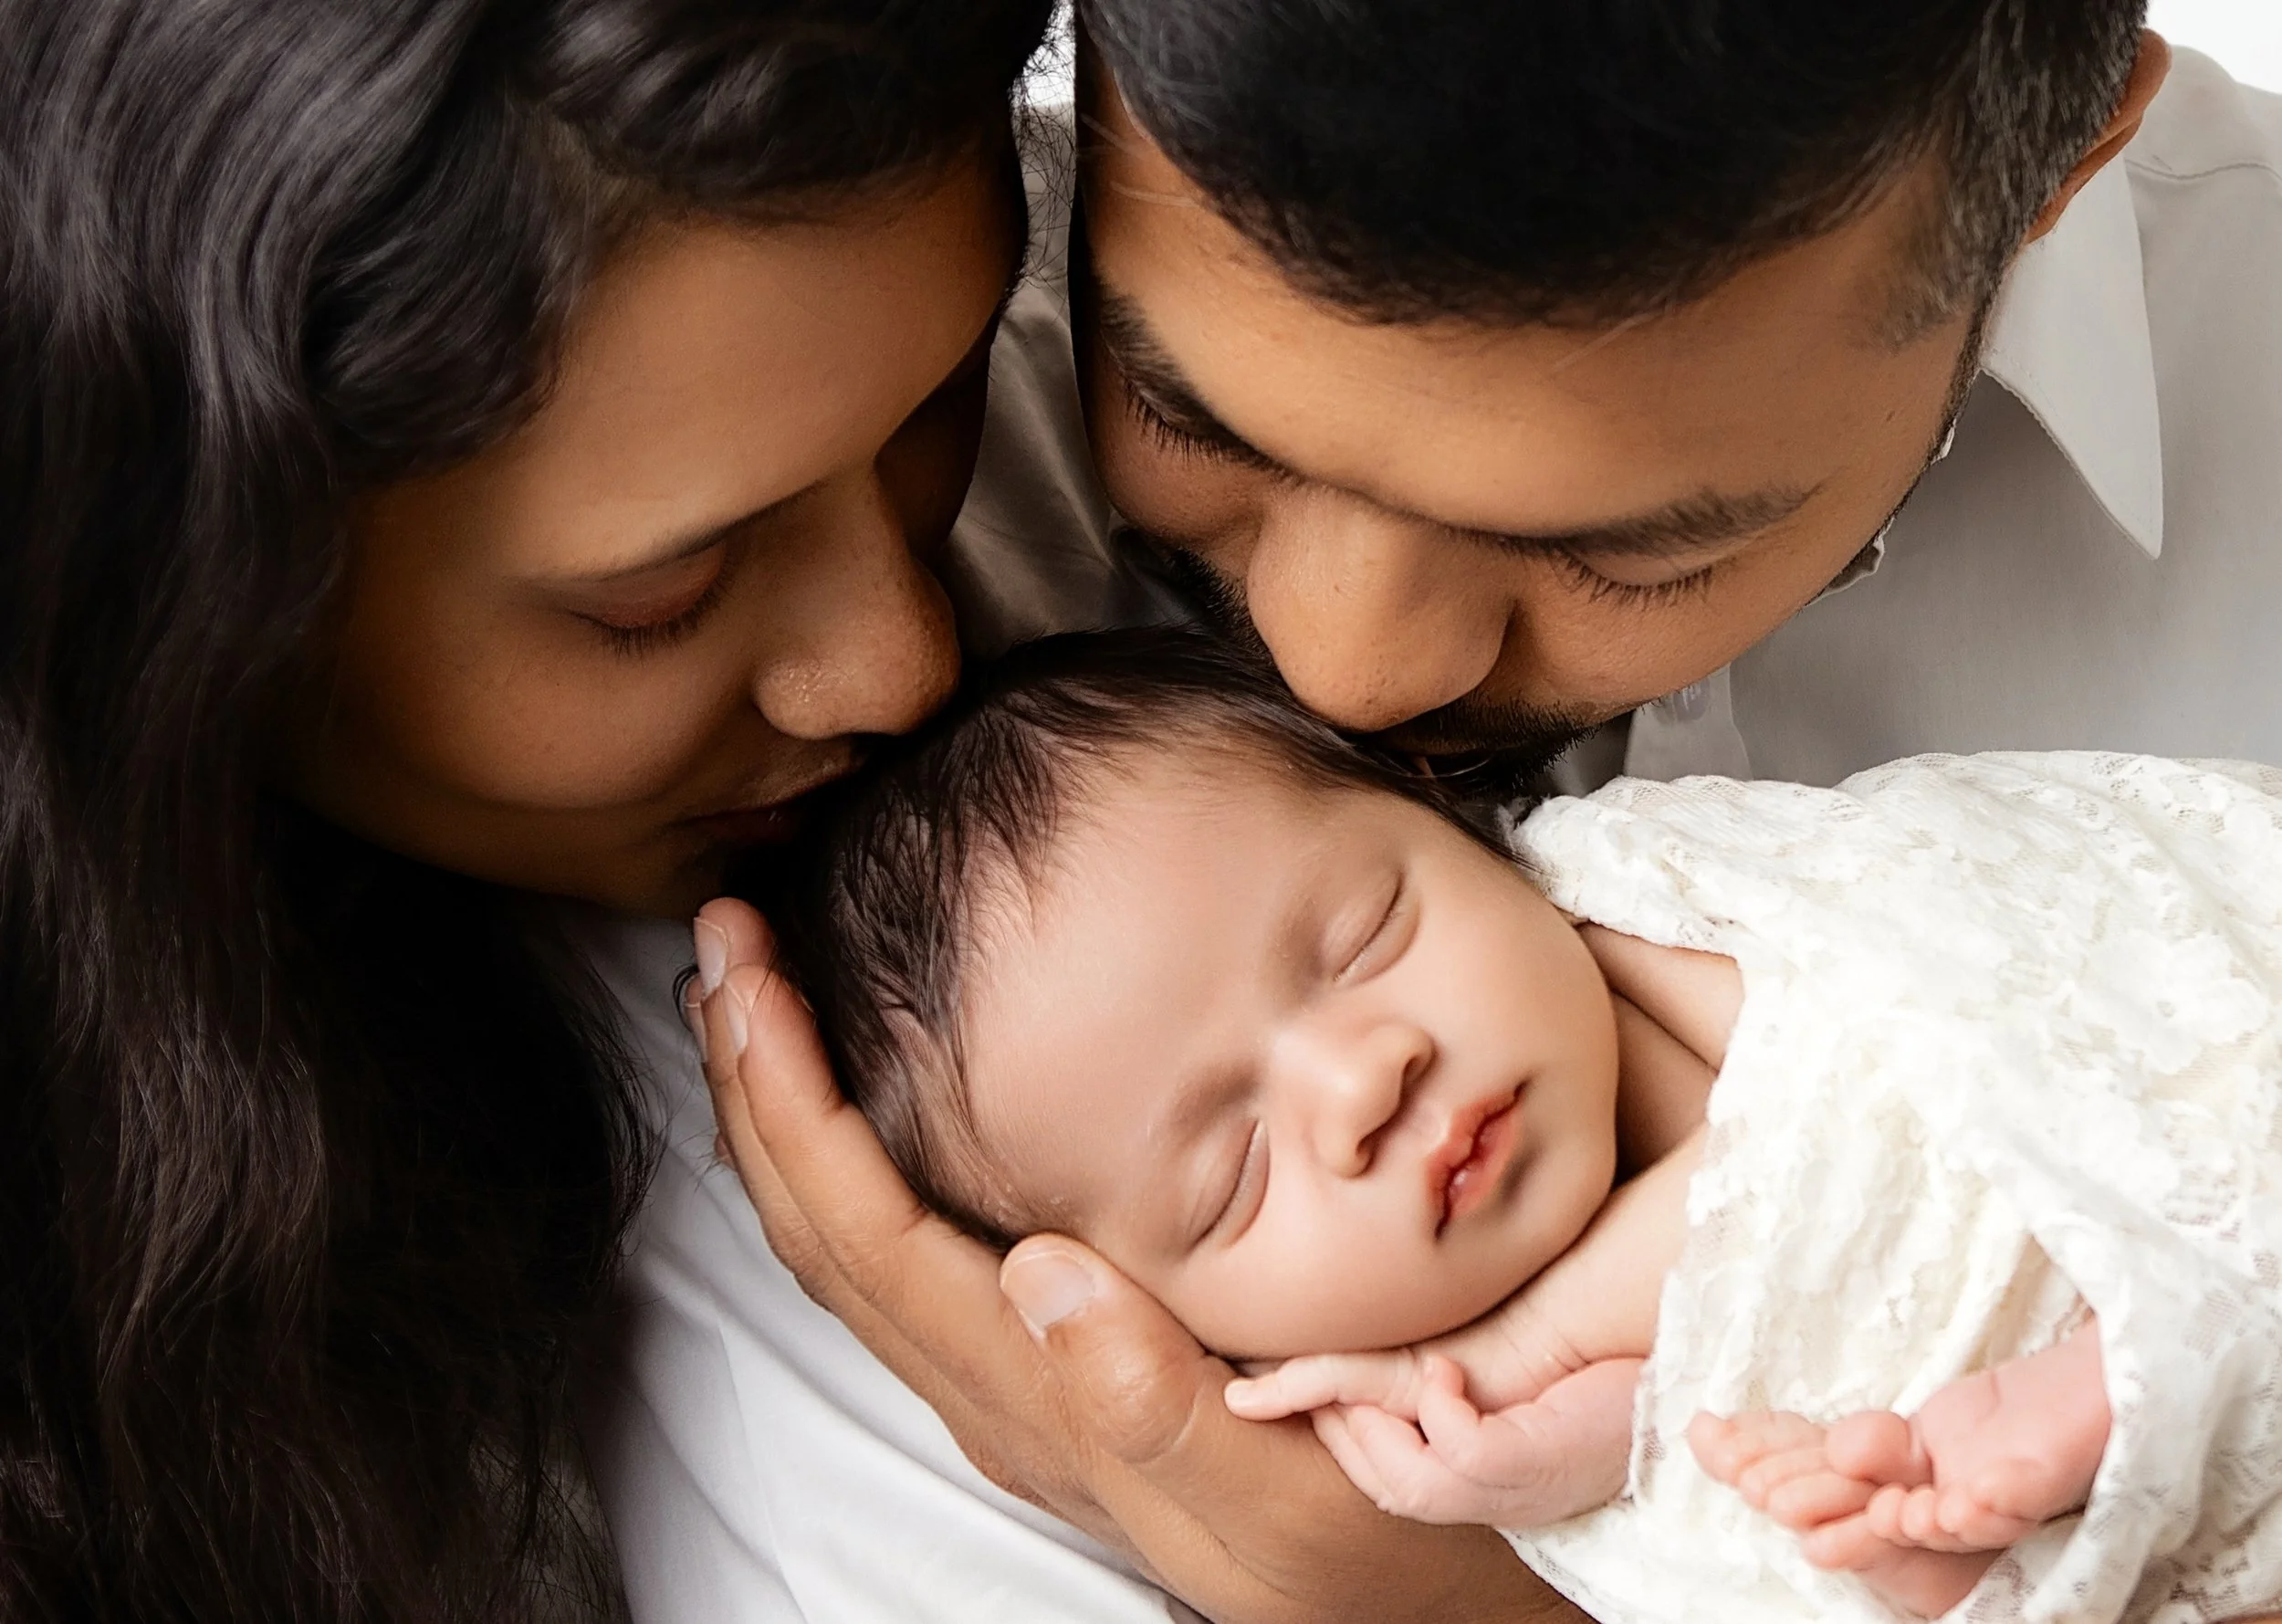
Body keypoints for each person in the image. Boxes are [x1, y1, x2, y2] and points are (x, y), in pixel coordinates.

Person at [663, 1, 2282, 1620]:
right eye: (1190, 420)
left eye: (1626, 552)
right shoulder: (843, 506)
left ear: (2052, 171)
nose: (1340, 676)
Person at [0, 0, 1056, 1616]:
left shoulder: (1114, 470)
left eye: (933, 410)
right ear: (186, 601)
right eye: (659, 596)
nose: (902, 661)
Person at [750, 627, 2282, 1624]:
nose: (1364, 1081)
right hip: (1969, 1473)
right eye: (1235, 1173)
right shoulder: (1377, 1429)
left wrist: (1545, 1332)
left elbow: (1878, 1053)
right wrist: (1543, 1442)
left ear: (1452, 820)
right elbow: (1649, 1473)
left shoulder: (1641, 918)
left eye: (1364, 934)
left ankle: (2123, 1366)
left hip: (2147, 1117)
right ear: (1183, 1321)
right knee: (1802, 1536)